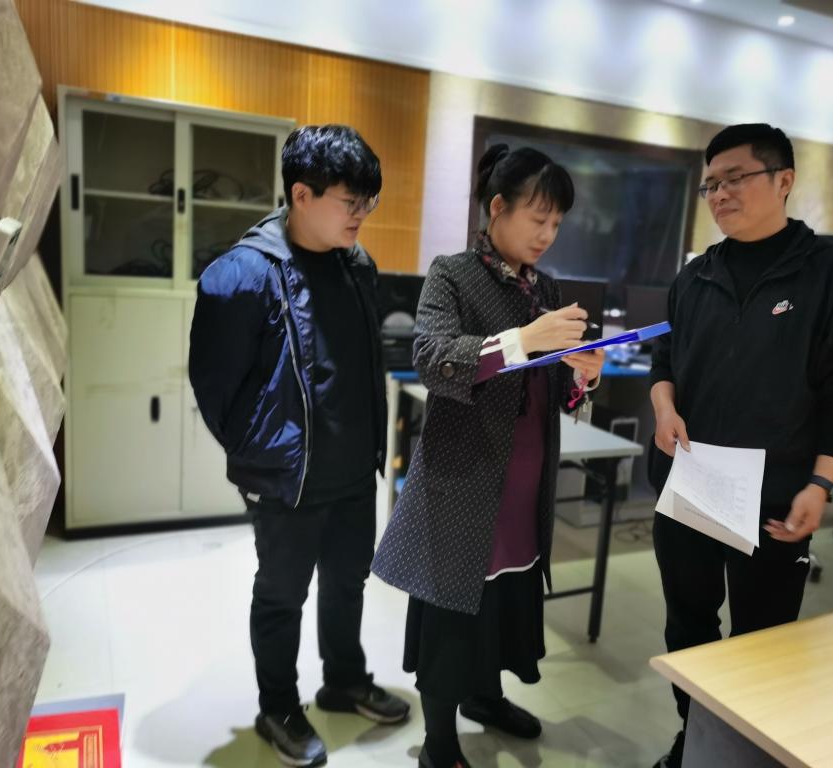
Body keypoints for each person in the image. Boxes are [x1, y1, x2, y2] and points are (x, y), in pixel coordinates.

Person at [647, 123, 833, 768]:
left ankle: (745, 749)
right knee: (688, 625)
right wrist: (664, 406)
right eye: (710, 184)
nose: (720, 194)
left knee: (764, 637)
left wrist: (821, 482)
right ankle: (696, 736)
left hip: (775, 496)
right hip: (691, 484)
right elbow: (665, 359)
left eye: (735, 178)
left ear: (784, 180)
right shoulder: (696, 276)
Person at [371, 144, 604, 768]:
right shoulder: (451, 273)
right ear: (497, 207)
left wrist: (583, 375)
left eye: (557, 224)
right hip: (463, 481)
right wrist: (523, 339)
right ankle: (439, 741)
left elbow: (556, 388)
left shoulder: (546, 287)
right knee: (452, 613)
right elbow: (432, 360)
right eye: (538, 219)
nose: (547, 235)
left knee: (504, 603)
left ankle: (486, 696)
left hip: (524, 484)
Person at [189, 124, 409, 768]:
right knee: (282, 595)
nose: (362, 214)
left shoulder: (357, 265)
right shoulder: (241, 275)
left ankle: (344, 680)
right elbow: (215, 386)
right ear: (301, 194)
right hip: (286, 475)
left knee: (348, 584)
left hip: (353, 468)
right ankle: (278, 707)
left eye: (369, 201)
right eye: (351, 201)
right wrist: (257, 451)